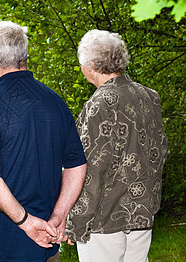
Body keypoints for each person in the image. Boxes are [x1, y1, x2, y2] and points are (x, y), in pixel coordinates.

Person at [0, 21, 87, 262]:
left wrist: (27, 222)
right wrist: (59, 215)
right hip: (47, 242)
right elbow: (76, 165)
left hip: (1, 245)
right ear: (23, 56)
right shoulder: (54, 101)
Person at [65, 29, 168, 262]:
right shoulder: (148, 96)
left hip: (104, 220)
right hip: (142, 211)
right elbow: (160, 151)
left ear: (90, 66)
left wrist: (77, 222)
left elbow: (90, 170)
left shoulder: (99, 105)